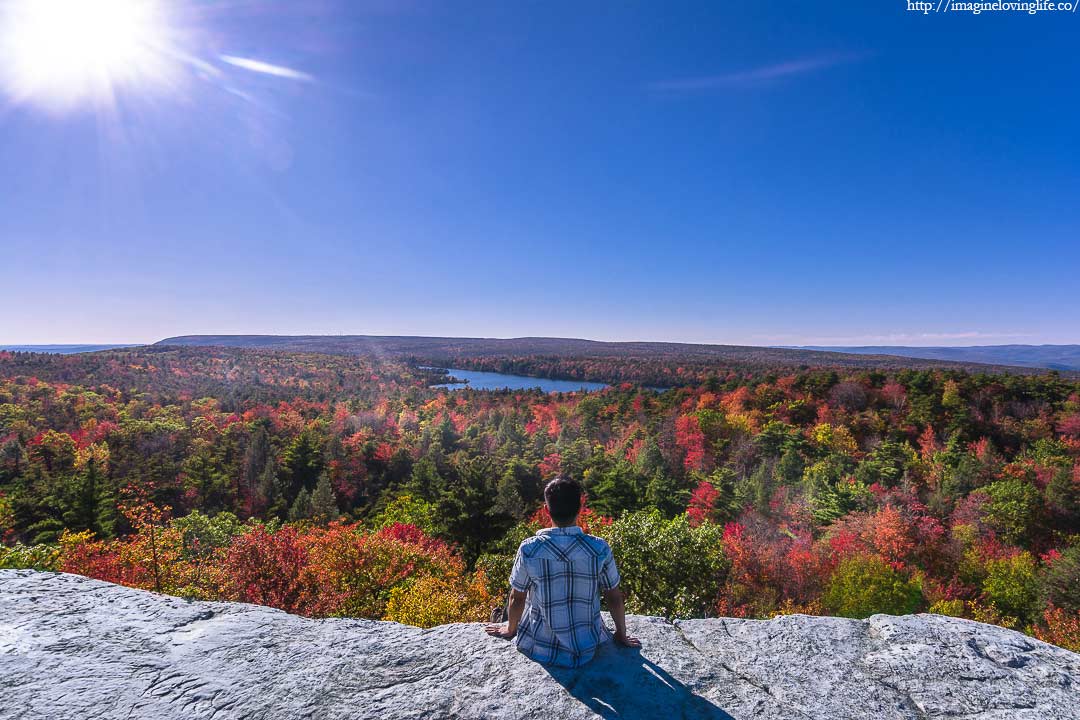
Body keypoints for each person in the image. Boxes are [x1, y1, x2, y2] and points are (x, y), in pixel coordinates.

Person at [485, 477, 641, 667]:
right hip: (588, 644)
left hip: (541, 646)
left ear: (546, 510)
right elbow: (614, 597)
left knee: (528, 590)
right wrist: (621, 634)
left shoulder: (530, 549)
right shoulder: (599, 548)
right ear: (581, 507)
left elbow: (516, 598)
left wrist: (510, 628)